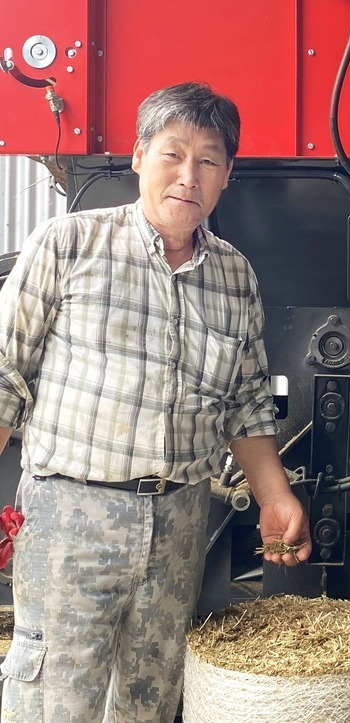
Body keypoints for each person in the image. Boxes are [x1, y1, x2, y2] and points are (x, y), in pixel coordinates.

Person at [0, 81, 311, 722]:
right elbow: (5, 374)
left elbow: (247, 403)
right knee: (53, 697)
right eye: (172, 154)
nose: (187, 176)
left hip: (178, 520)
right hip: (71, 515)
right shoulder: (68, 245)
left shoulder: (234, 275)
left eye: (208, 160)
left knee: (149, 697)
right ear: (139, 156)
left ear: (227, 174)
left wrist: (277, 497)